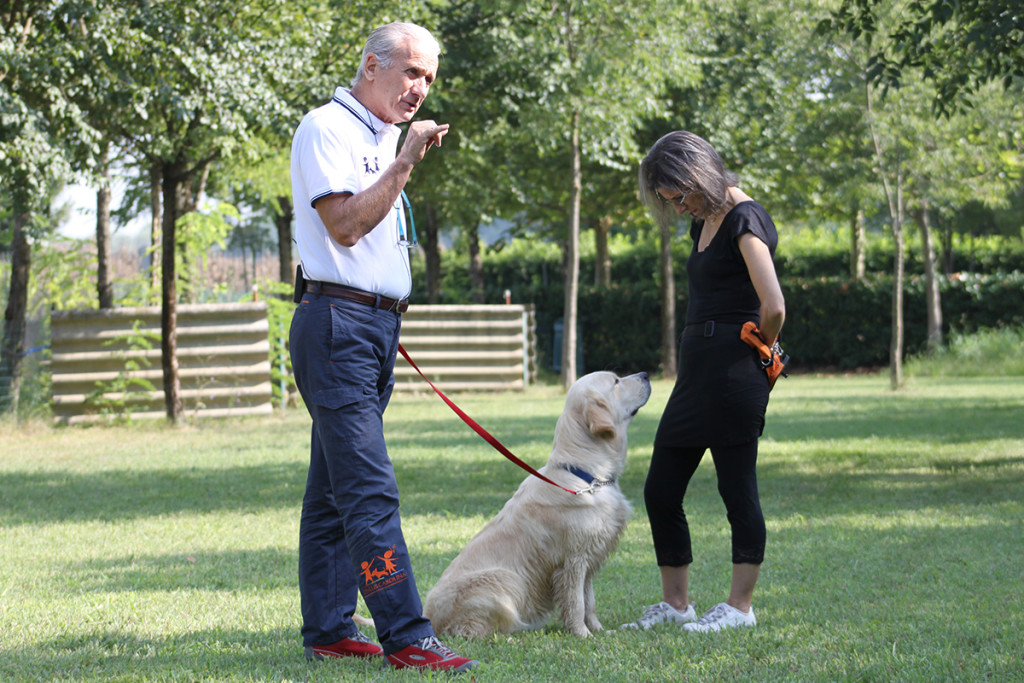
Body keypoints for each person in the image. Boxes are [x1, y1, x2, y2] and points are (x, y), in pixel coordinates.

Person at [288, 22, 478, 672]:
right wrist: (404, 164)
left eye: (429, 77)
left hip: (372, 328)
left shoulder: (380, 135)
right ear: (371, 66)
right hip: (337, 325)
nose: (420, 88)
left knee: (332, 493)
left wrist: (397, 155)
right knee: (369, 490)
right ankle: (407, 633)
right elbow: (342, 227)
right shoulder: (326, 129)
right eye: (410, 73)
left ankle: (331, 627)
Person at [622, 131, 785, 633]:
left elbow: (774, 304)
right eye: (670, 201)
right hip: (696, 377)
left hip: (736, 375)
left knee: (738, 490)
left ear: (697, 176)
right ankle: (677, 605)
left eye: (680, 196)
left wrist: (759, 349)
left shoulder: (744, 218)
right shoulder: (707, 221)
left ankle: (740, 610)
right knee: (661, 489)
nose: (679, 207)